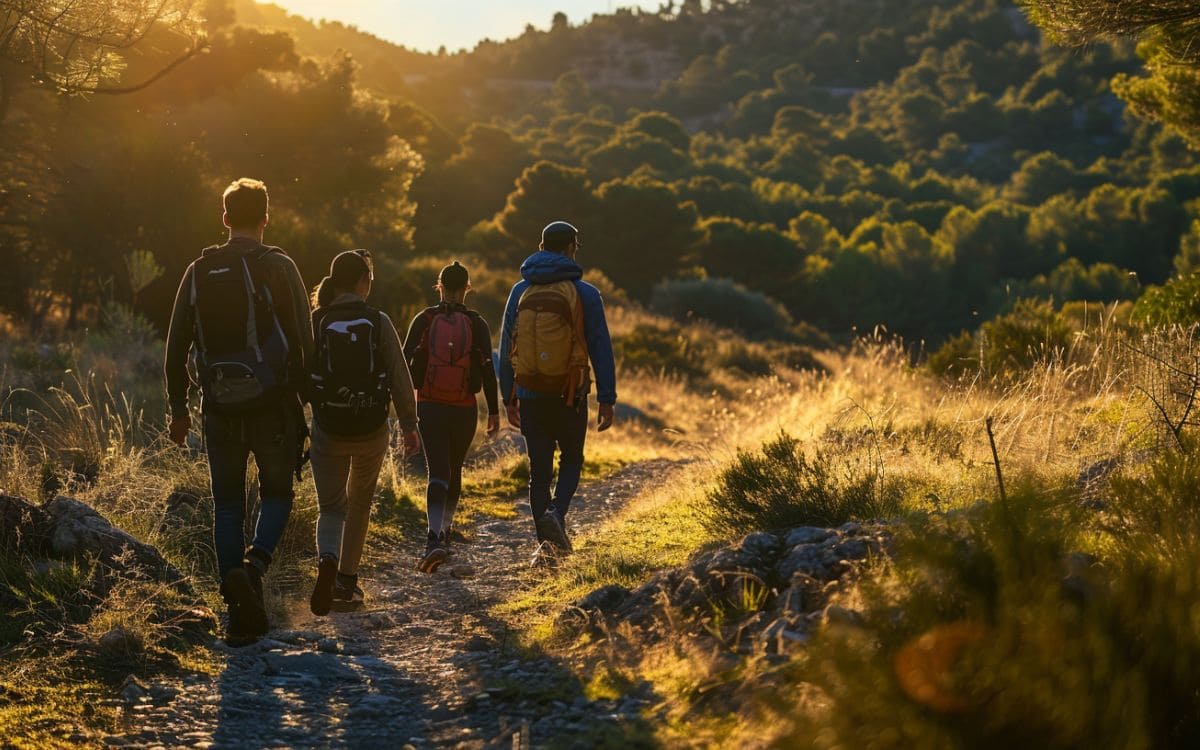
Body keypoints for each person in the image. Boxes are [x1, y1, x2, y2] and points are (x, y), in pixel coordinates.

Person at [164, 178, 314, 646]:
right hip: (272, 406)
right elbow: (304, 340)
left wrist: (179, 410)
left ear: (225, 218)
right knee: (277, 494)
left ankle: (235, 609)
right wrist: (307, 398)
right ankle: (254, 568)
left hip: (217, 408)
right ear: (266, 218)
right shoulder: (280, 266)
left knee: (227, 504)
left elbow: (175, 348)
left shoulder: (198, 270)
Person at [307, 250, 422, 616]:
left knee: (331, 507)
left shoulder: (317, 320)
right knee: (359, 504)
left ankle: (327, 558)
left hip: (328, 427)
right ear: (362, 283)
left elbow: (299, 374)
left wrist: (300, 420)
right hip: (372, 429)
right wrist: (409, 425)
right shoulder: (378, 320)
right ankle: (346, 582)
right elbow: (400, 377)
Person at [498, 221, 617, 563]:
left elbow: (506, 344)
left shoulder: (520, 290)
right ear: (571, 249)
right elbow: (599, 346)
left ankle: (547, 548)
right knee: (572, 459)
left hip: (530, 391)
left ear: (541, 246)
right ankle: (557, 514)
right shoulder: (586, 293)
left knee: (539, 469)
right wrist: (607, 397)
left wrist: (509, 395)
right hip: (570, 392)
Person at [403, 261, 501, 573]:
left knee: (437, 470)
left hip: (429, 406)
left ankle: (433, 536)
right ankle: (444, 532)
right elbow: (487, 371)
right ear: (467, 288)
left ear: (440, 286)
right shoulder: (477, 322)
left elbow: (404, 362)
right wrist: (495, 411)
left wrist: (405, 410)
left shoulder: (424, 318)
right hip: (464, 408)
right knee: (455, 469)